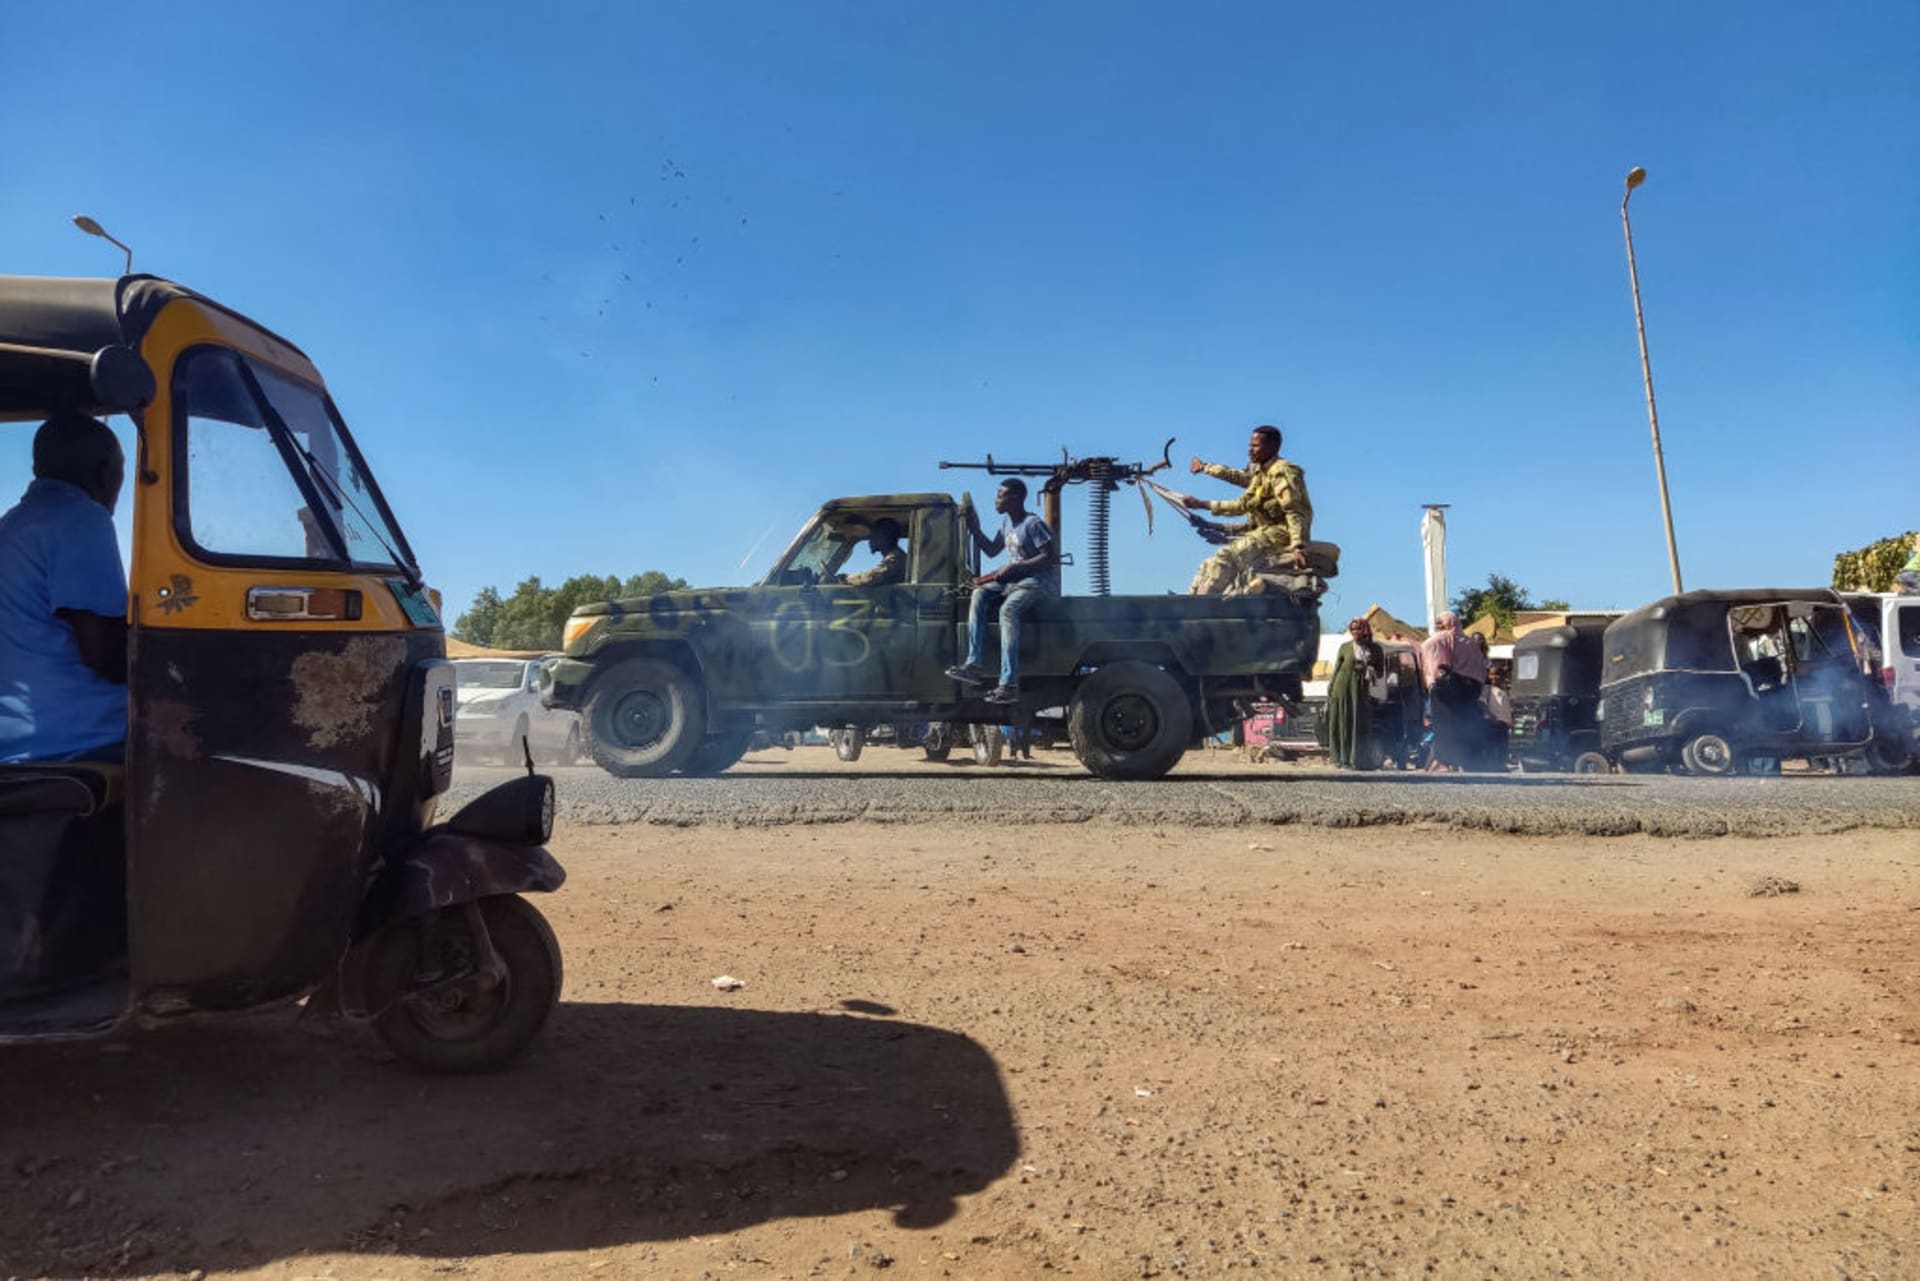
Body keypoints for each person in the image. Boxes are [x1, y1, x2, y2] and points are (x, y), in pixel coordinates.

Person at [0, 415, 130, 763]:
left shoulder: (12, 526)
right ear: (106, 473)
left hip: (15, 741)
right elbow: (104, 655)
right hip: (75, 740)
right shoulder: (82, 517)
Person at [945, 479, 1057, 704]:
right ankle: (973, 664)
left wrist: (1016, 567)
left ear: (1015, 498)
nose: (996, 500)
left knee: (1008, 610)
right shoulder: (1007, 524)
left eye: (1000, 495)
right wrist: (973, 526)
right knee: (979, 593)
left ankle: (1008, 684)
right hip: (1013, 582)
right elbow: (990, 550)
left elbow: (1049, 557)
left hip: (1037, 583)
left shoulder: (1032, 523)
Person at [1183, 425, 1313, 595]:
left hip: (1282, 532)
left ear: (1272, 447)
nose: (1249, 450)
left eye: (1255, 446)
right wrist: (1213, 523)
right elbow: (1242, 502)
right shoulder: (1261, 474)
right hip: (1265, 532)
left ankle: (1203, 606)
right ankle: (1188, 605)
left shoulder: (1282, 472)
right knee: (1208, 565)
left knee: (1226, 556)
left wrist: (1298, 546)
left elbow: (1294, 511)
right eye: (1249, 445)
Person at [1418, 611, 1487, 773]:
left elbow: (1433, 659)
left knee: (1444, 727)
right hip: (1470, 690)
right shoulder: (1471, 644)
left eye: (1441, 624)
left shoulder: (1440, 639)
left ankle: (1445, 762)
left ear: (1450, 624)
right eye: (1437, 624)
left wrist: (1433, 683)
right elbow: (1480, 670)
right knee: (1465, 725)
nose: (1438, 627)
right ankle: (1464, 761)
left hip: (1446, 690)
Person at [1326, 616, 1385, 769]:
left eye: (1358, 628)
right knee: (1343, 722)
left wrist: (1368, 667)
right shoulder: (1345, 647)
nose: (1355, 632)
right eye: (1352, 629)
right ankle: (1341, 759)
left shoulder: (1375, 649)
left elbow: (1380, 673)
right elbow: (1337, 669)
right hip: (1343, 688)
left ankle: (1358, 759)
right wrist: (1331, 688)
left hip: (1360, 690)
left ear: (1365, 629)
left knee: (1359, 723)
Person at [842, 517, 906, 587]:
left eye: (874, 535)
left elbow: (873, 577)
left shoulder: (895, 558)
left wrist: (847, 579)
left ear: (885, 537)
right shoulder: (895, 556)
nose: (871, 540)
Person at [1481, 664, 1513, 771]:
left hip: (1503, 723)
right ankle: (1490, 765)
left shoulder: (1505, 691)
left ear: (1503, 677)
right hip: (1492, 722)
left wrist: (1510, 722)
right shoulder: (1487, 688)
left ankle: (1501, 764)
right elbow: (1482, 703)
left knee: (1503, 744)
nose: (1494, 677)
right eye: (1492, 674)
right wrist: (1490, 716)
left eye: (1497, 675)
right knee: (1491, 745)